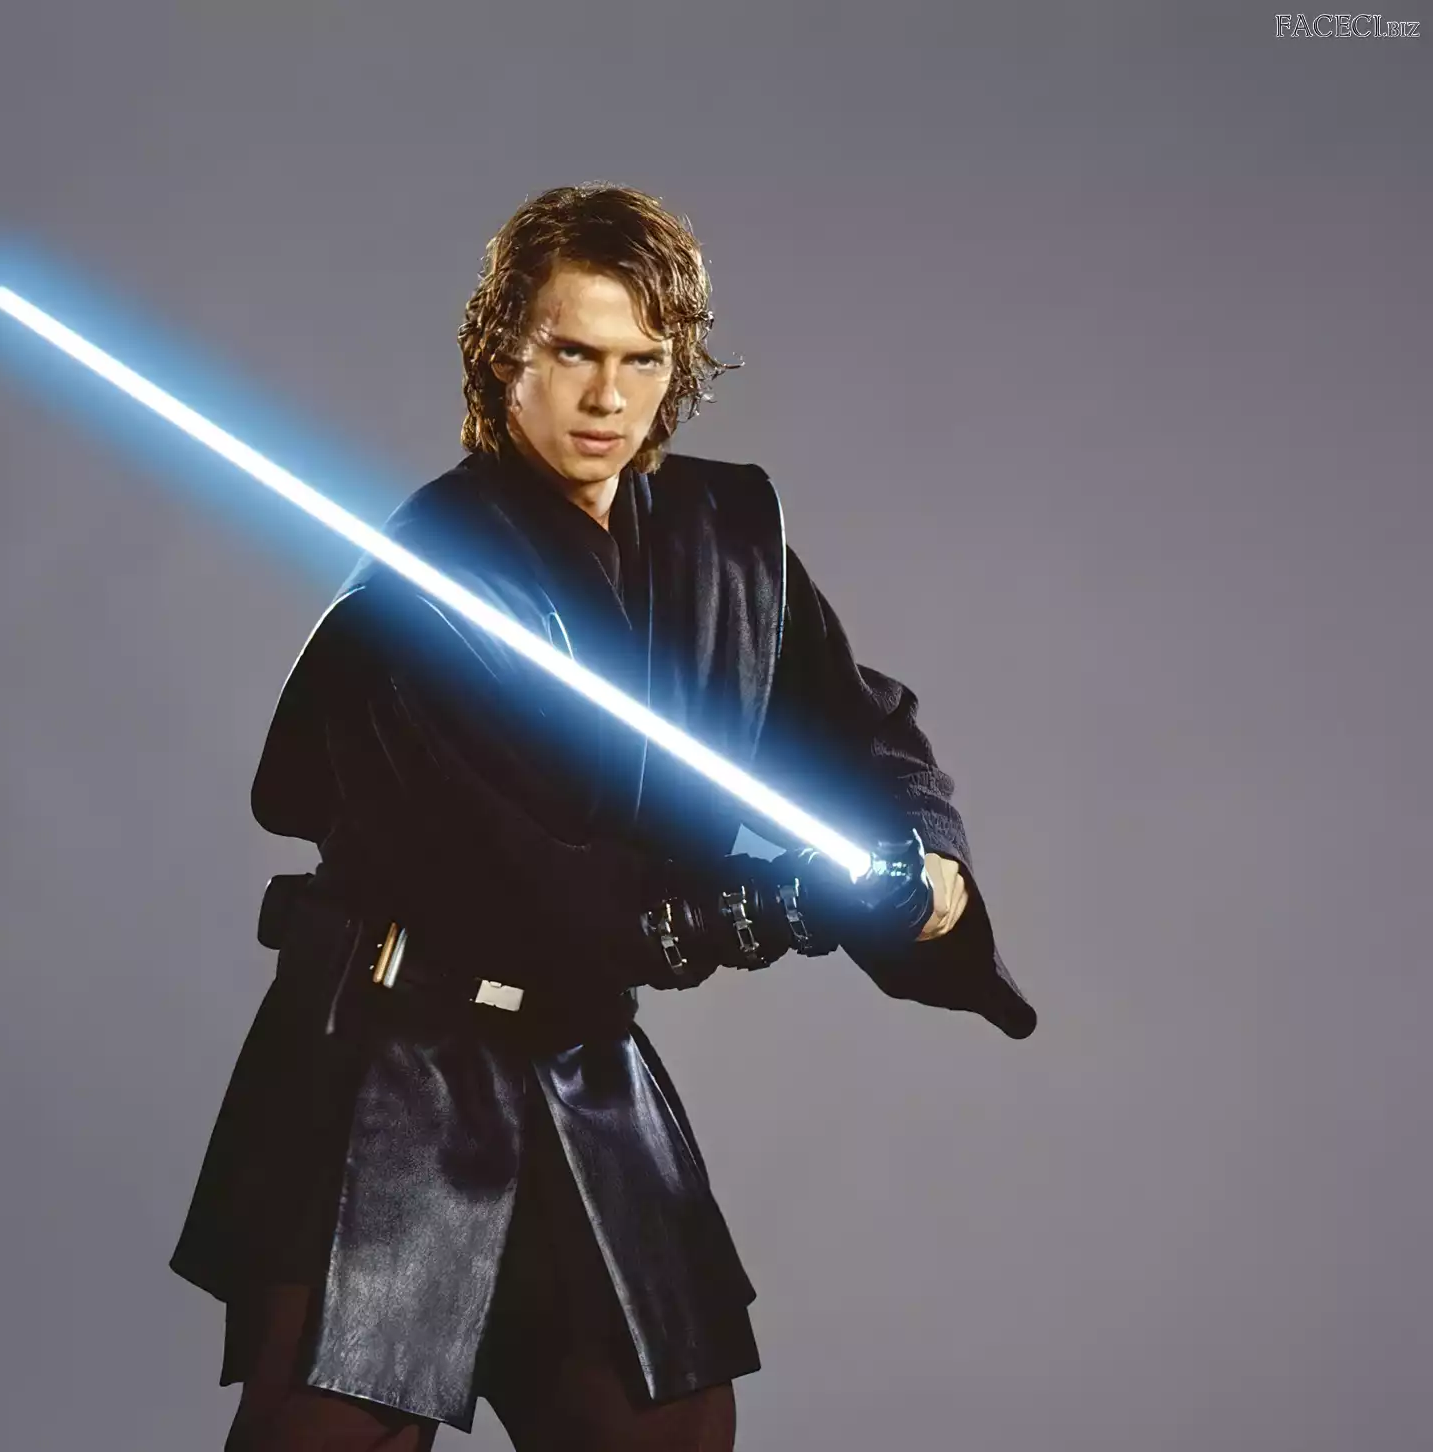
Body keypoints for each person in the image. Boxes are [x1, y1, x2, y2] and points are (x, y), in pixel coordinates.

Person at [170, 183, 1036, 1451]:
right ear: (503, 356)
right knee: (339, 1430)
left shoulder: (723, 537)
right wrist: (776, 903)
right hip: (402, 1064)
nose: (607, 398)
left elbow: (861, 728)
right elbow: (530, 880)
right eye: (573, 352)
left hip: (578, 1058)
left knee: (666, 1427)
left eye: (642, 360)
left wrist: (927, 865)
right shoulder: (436, 573)